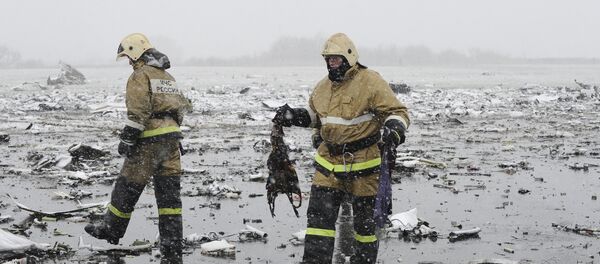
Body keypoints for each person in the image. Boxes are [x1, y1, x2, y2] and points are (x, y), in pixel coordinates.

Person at [273, 33, 410, 264]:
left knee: (365, 230)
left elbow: (397, 112)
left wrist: (394, 129)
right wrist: (295, 116)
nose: (331, 63)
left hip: (365, 168)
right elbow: (317, 117)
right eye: (327, 59)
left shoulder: (371, 81)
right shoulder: (322, 88)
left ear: (349, 56)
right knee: (318, 225)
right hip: (328, 167)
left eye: (335, 59)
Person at [84, 33, 191, 263]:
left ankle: (111, 229)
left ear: (135, 52)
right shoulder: (167, 76)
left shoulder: (140, 76)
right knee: (170, 201)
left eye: (128, 58)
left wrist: (127, 139)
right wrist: (170, 134)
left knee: (127, 185)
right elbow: (181, 109)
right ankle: (172, 254)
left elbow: (138, 111)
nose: (129, 63)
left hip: (149, 141)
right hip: (171, 142)